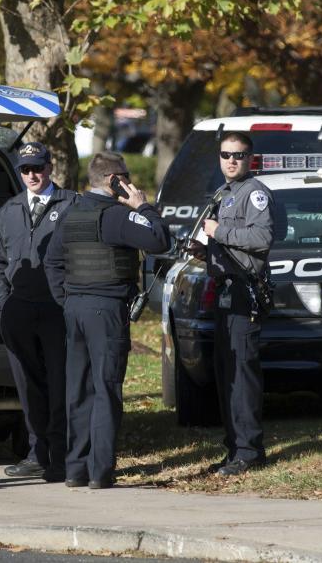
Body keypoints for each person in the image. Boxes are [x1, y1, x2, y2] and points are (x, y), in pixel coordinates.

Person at [44, 152, 170, 489]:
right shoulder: (117, 216)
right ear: (115, 180)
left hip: (75, 310)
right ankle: (100, 471)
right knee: (105, 387)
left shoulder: (69, 213)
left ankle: (76, 469)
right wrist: (143, 206)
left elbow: (52, 262)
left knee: (79, 388)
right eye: (125, 177)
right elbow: (160, 239)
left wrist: (67, 299)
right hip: (106, 309)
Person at [188, 132, 274, 476]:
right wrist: (205, 249)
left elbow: (261, 238)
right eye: (225, 155)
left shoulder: (255, 194)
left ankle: (250, 451)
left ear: (250, 158)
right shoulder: (224, 194)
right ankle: (234, 448)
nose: (231, 161)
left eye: (238, 155)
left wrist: (218, 231)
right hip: (223, 292)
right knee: (227, 375)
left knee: (242, 374)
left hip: (243, 292)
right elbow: (227, 242)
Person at [0, 142, 78, 482]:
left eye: (38, 168)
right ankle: (37, 453)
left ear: (50, 166)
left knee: (59, 384)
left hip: (58, 310)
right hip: (19, 311)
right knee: (28, 387)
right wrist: (2, 302)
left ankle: (61, 455)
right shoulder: (9, 210)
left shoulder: (71, 204)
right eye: (25, 170)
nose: (32, 175)